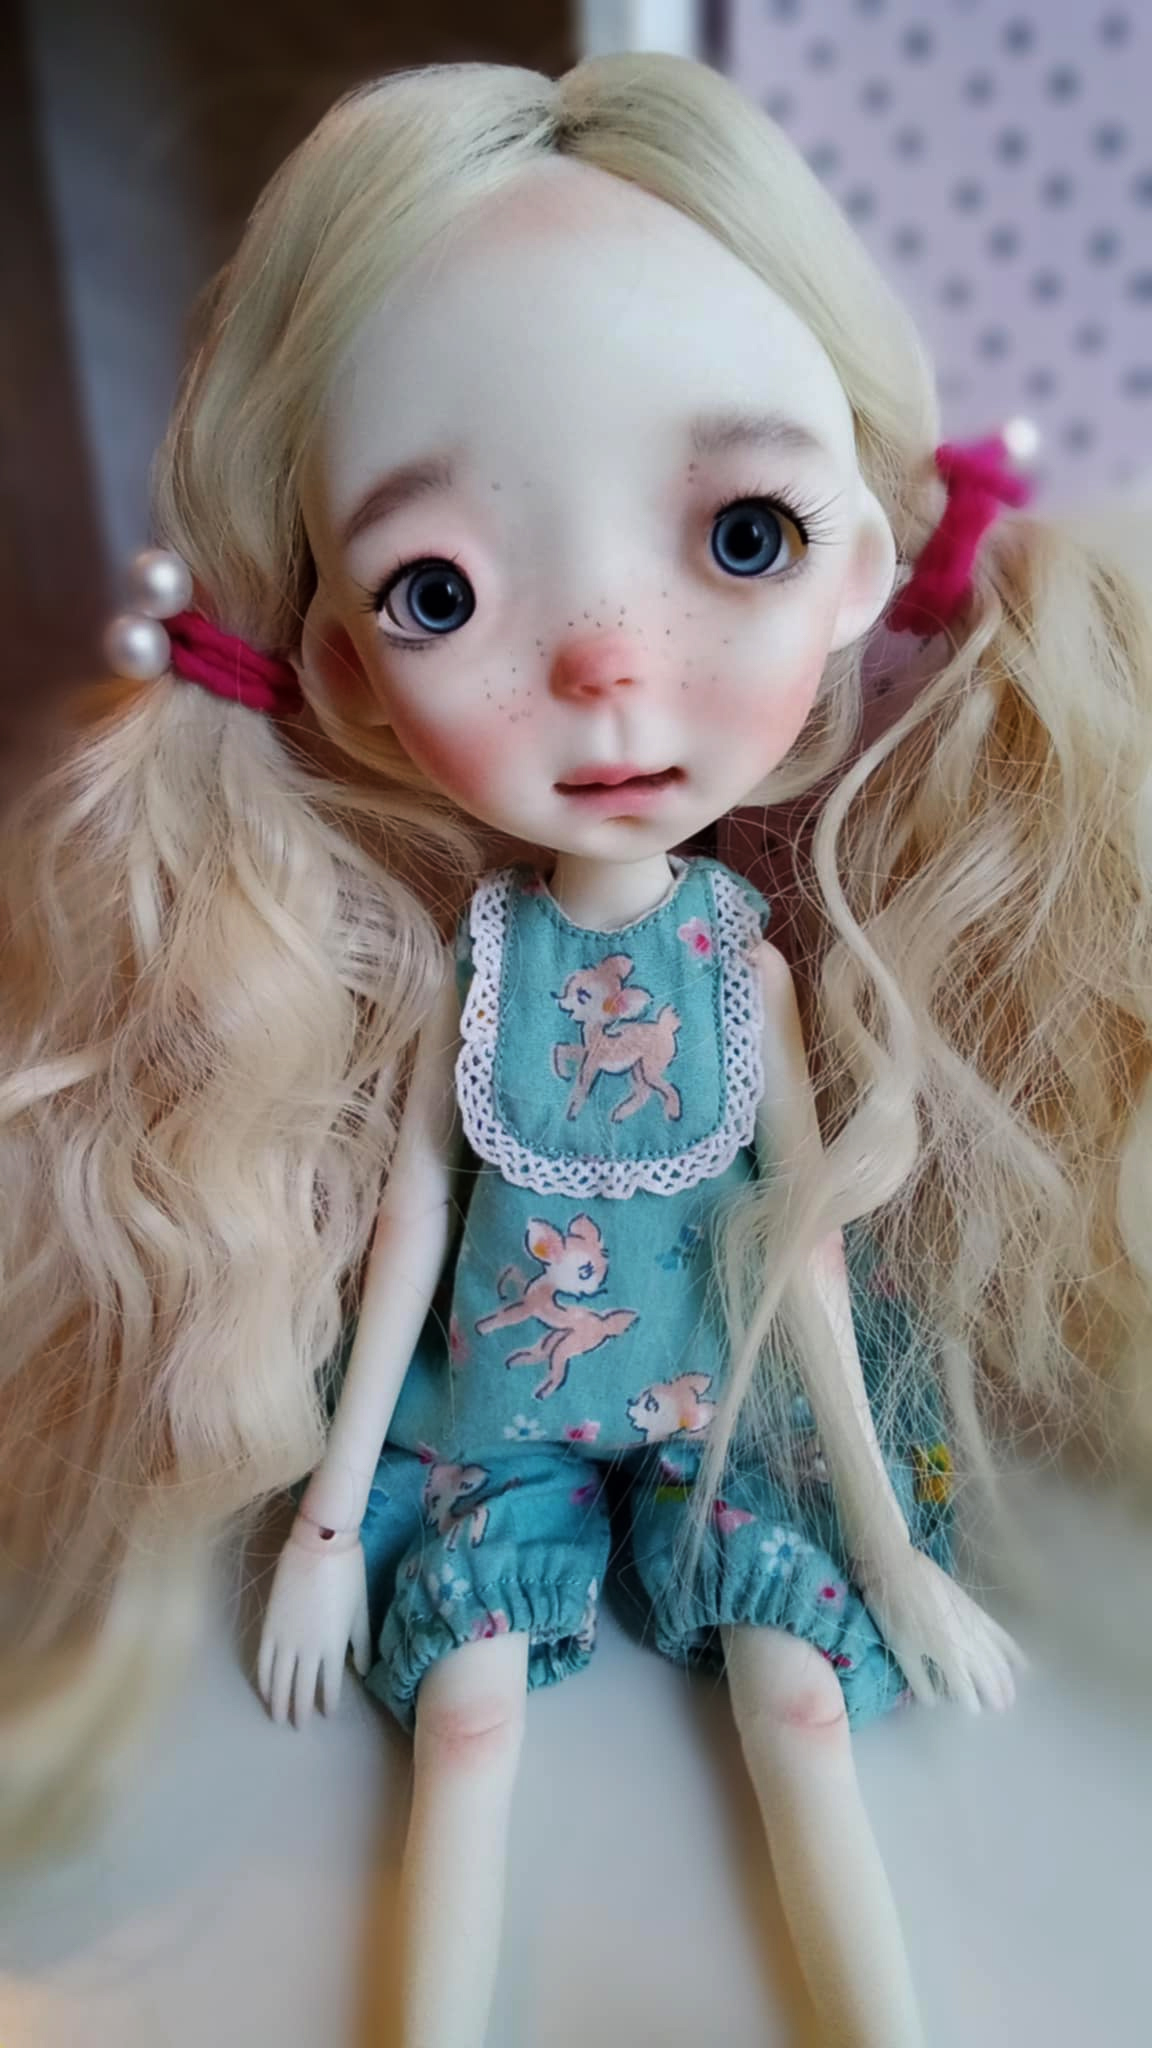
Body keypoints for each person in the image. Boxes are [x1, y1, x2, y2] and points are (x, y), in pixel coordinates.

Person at [2, 52, 1149, 2048]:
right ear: (349, 675)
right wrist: (334, 1525)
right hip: (499, 1415)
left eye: (745, 534)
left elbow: (800, 1247)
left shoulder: (736, 963)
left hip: (734, 1407)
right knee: (463, 1732)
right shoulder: (488, 959)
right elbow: (415, 1224)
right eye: (441, 591)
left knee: (802, 1711)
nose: (609, 664)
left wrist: (891, 1552)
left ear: (863, 568)